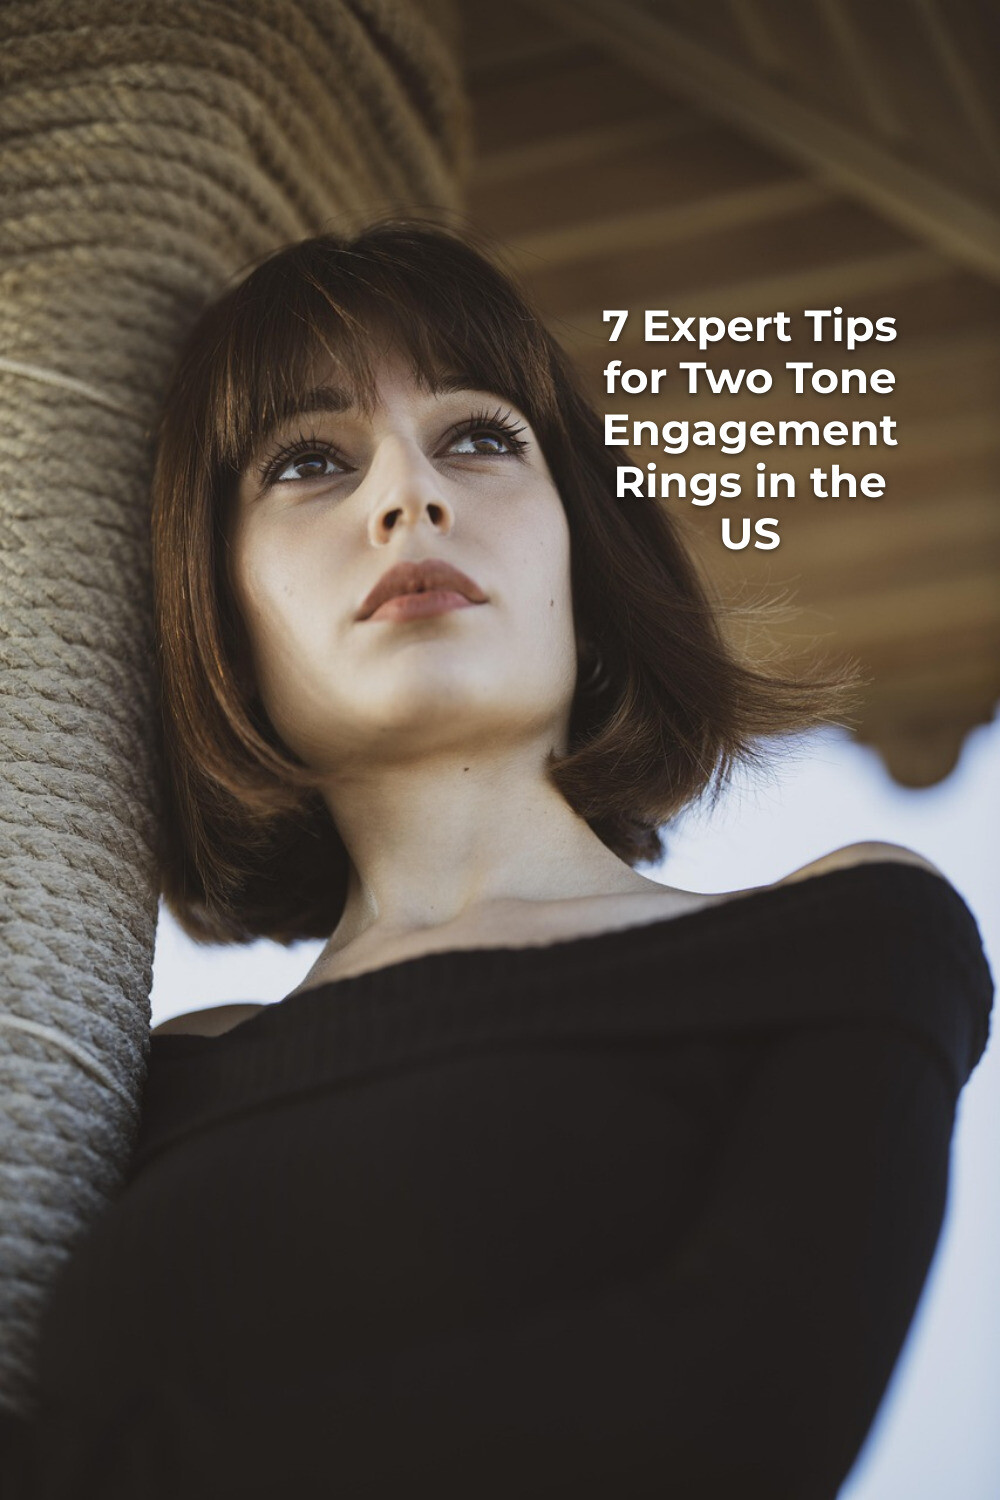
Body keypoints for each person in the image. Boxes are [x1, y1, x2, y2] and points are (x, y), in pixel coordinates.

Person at [5, 223, 992, 1497]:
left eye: (479, 437)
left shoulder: (849, 934)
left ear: (584, 558)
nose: (407, 496)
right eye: (308, 461)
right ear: (221, 618)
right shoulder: (150, 1083)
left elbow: (729, 1425)